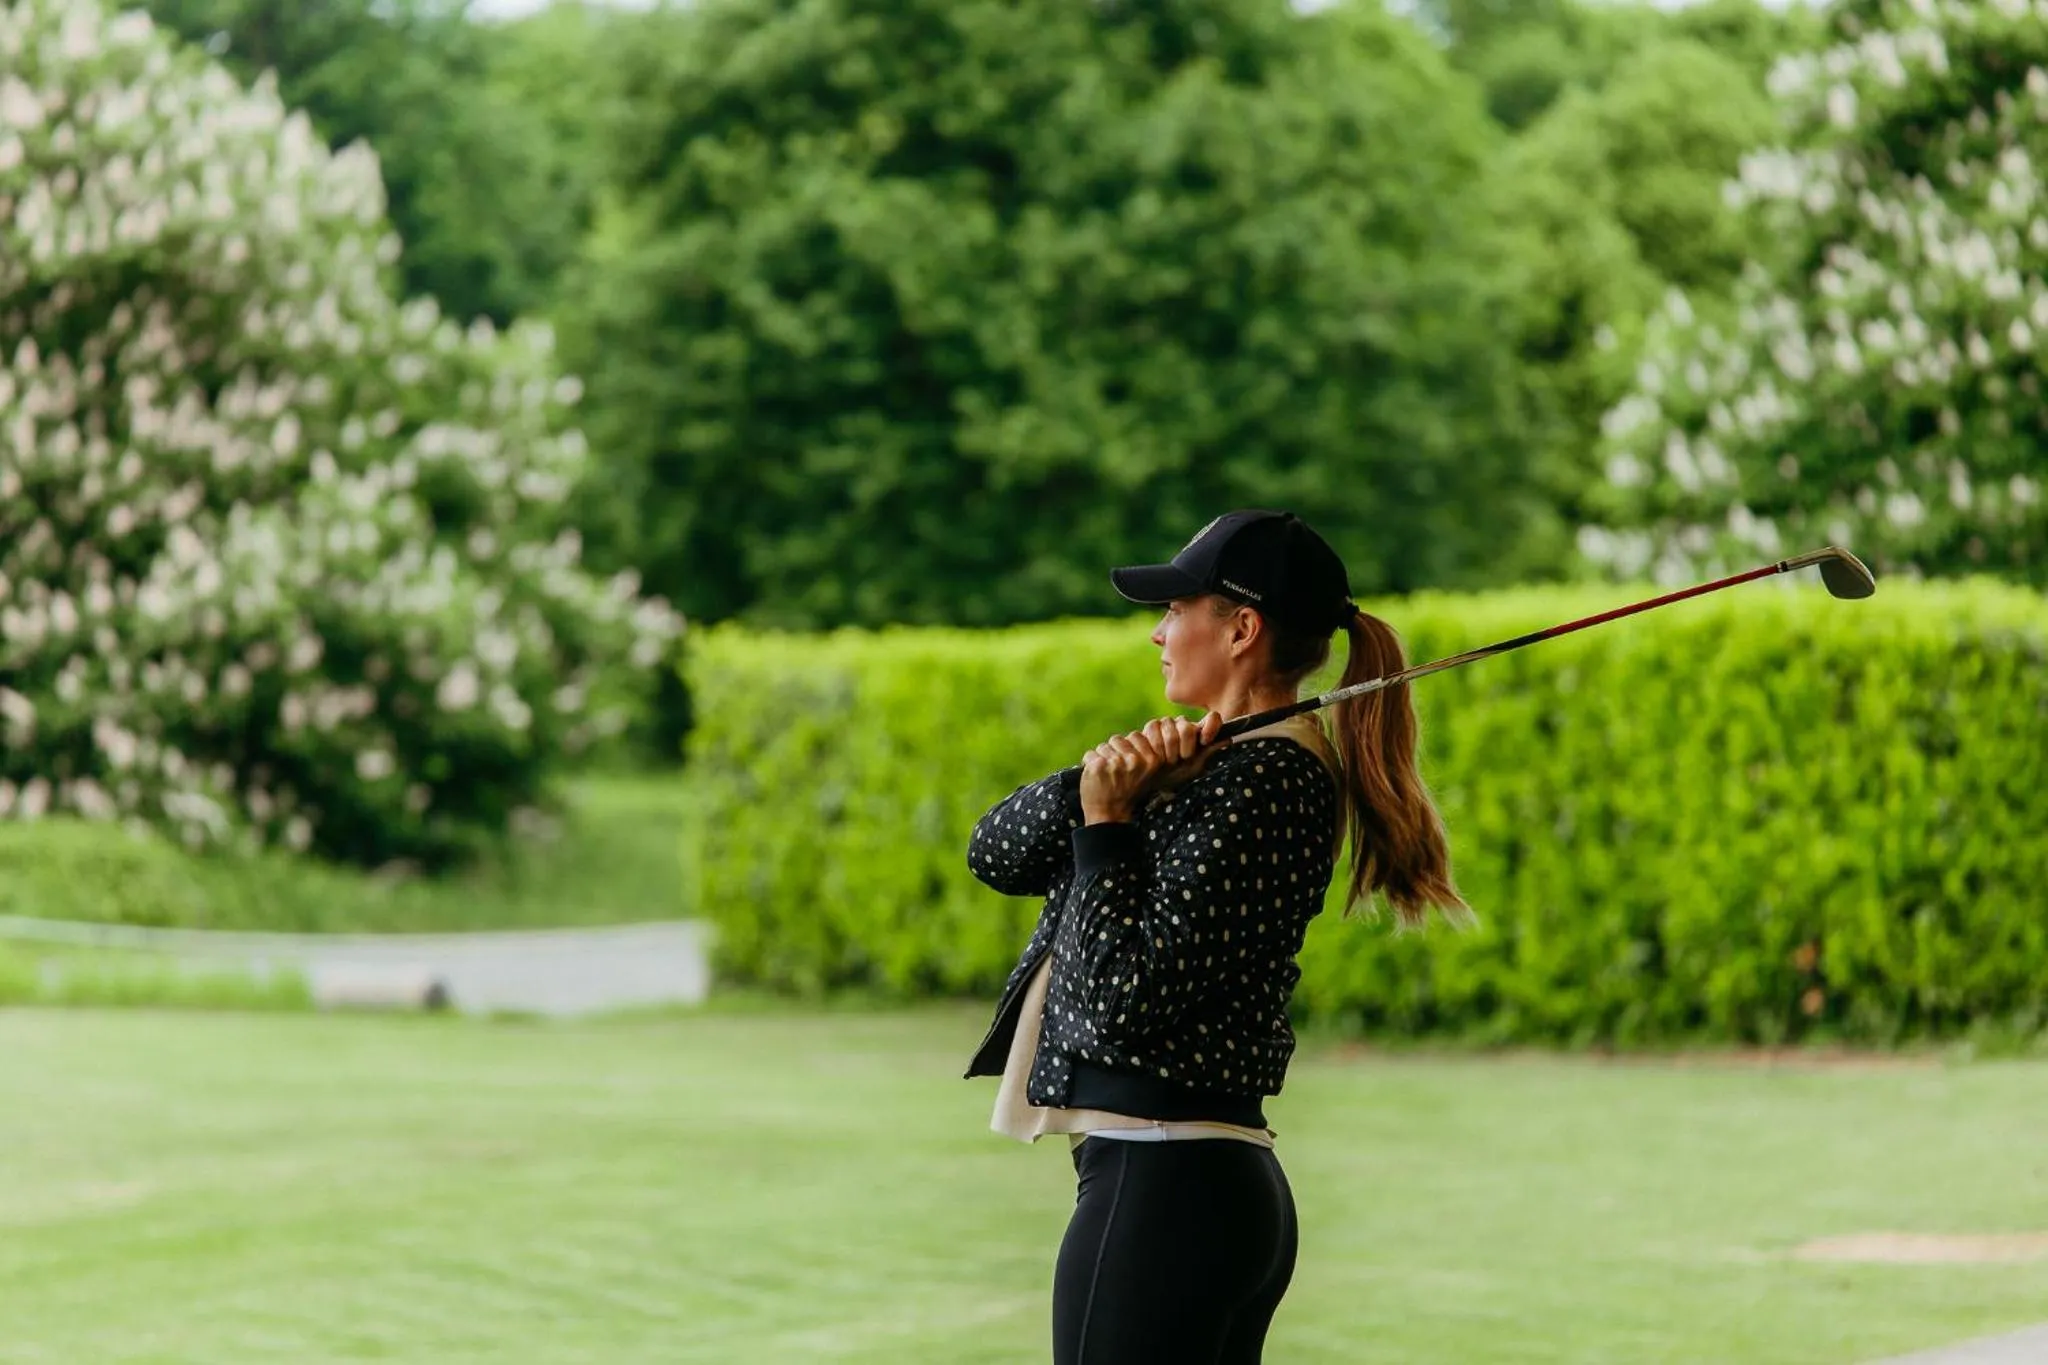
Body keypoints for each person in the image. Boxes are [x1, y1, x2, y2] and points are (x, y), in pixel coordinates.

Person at [963, 508, 1469, 1364]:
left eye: (1176, 609)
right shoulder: (1216, 766)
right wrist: (1108, 780)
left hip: (1168, 1186)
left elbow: (1127, 998)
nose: (1158, 632)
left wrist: (1109, 822)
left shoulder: (1270, 780)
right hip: (1176, 1185)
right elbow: (992, 852)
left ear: (1241, 628)